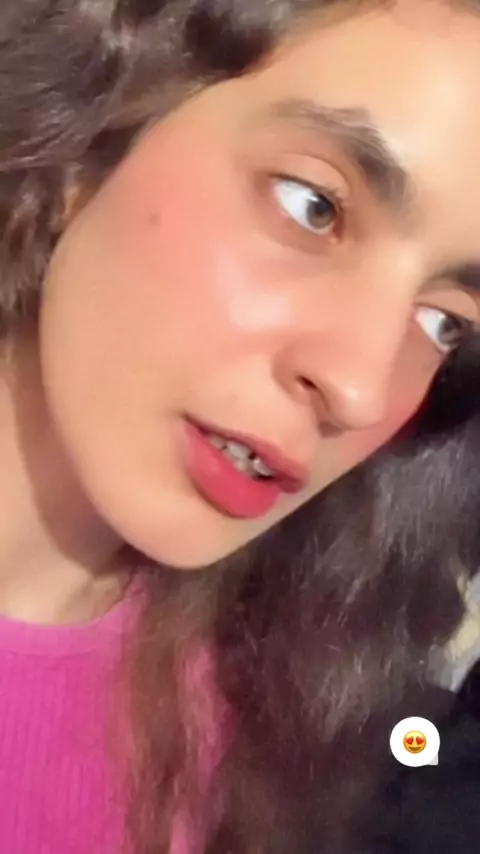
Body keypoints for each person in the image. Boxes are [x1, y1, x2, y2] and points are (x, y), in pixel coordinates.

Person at [2, 0, 480, 852]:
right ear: (98, 126)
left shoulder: (257, 717)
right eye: (313, 206)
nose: (359, 389)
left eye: (444, 322)